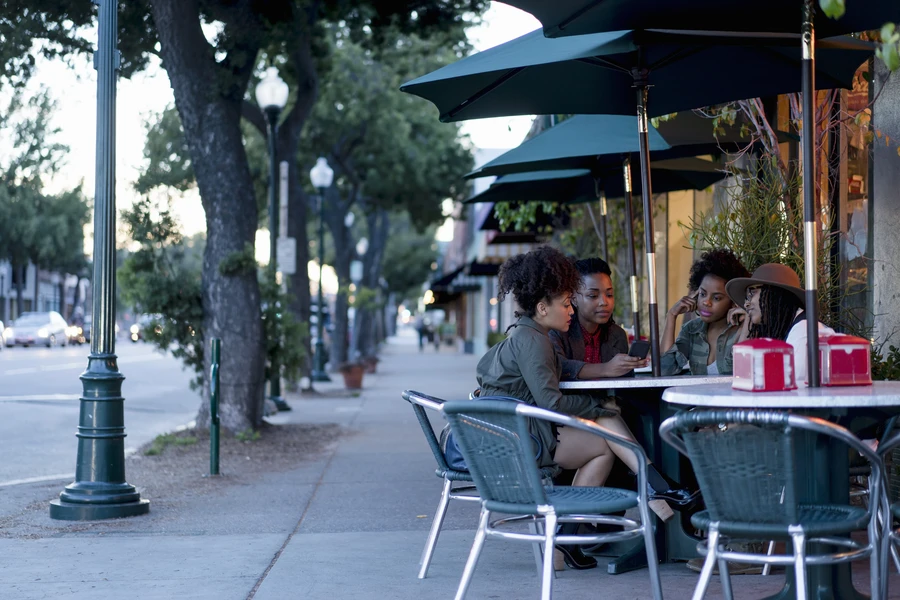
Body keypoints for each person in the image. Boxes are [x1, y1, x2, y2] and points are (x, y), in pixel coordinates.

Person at [476, 248, 689, 571]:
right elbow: (551, 402)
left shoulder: (530, 335)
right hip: (521, 440)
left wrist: (601, 396)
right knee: (605, 426)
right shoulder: (533, 341)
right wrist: (597, 404)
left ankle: (573, 536)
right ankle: (650, 486)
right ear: (542, 307)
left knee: (605, 432)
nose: (570, 310)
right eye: (565, 304)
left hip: (513, 433)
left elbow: (561, 374)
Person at [725, 262, 835, 385]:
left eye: (752, 293)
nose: (746, 304)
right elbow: (742, 374)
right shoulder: (790, 327)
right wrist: (748, 320)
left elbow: (795, 394)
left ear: (774, 293)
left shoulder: (803, 332)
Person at [550, 257, 645, 379]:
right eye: (593, 295)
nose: (604, 302)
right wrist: (606, 368)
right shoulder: (558, 331)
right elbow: (557, 366)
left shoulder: (617, 335)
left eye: (609, 294)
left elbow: (622, 385)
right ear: (573, 298)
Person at [659, 249, 750, 376]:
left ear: (733, 300)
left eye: (717, 298)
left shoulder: (741, 330)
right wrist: (671, 316)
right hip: (697, 396)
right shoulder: (692, 330)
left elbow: (745, 372)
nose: (706, 302)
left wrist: (747, 322)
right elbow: (665, 370)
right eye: (702, 294)